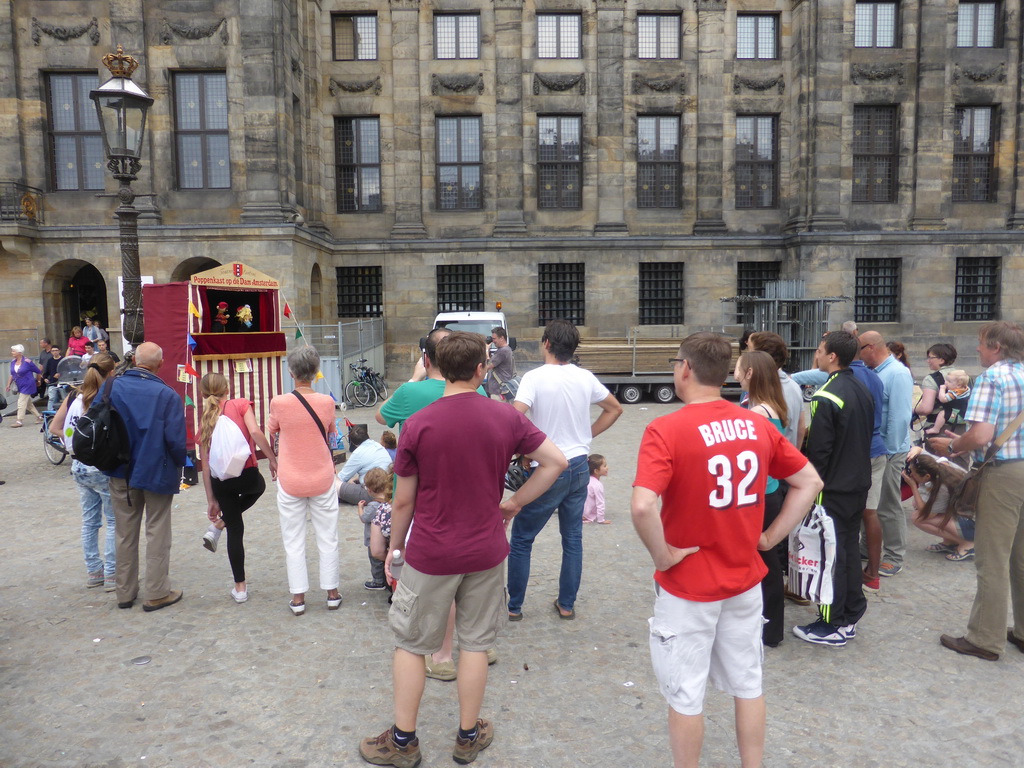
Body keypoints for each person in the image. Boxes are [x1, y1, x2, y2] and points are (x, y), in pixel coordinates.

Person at [359, 331, 566, 768]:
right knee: (474, 644)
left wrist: (396, 548)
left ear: (434, 364)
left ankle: (403, 741)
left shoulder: (419, 424)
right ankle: (467, 736)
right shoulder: (505, 418)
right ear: (480, 369)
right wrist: (513, 504)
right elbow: (556, 462)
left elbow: (402, 499)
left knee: (412, 644)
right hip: (486, 548)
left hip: (432, 551)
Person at [631, 332, 822, 768]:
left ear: (684, 369)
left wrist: (662, 557)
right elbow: (809, 481)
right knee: (748, 683)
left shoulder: (666, 427)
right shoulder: (756, 423)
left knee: (685, 694)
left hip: (690, 584)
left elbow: (643, 505)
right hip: (743, 577)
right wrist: (769, 539)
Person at [507, 319, 623, 621]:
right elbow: (615, 408)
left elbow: (514, 418)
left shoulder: (534, 377)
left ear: (546, 343)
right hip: (579, 466)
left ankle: (515, 605)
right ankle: (566, 603)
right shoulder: (585, 377)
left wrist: (524, 447)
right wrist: (586, 435)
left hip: (548, 467)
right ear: (572, 349)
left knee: (522, 537)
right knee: (572, 538)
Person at [927, 322, 1024, 661]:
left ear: (997, 347)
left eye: (982, 345)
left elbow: (981, 435)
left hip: (1004, 474)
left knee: (992, 557)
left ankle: (985, 638)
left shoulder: (992, 379)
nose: (979, 350)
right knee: (1021, 556)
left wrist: (955, 446)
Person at [793, 331, 875, 646]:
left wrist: (809, 488)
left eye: (820, 348)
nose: (816, 352)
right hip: (858, 482)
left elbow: (819, 452)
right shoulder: (860, 387)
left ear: (831, 357)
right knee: (848, 550)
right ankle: (851, 611)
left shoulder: (827, 395)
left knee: (831, 554)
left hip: (834, 487)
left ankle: (832, 622)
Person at [106, 342, 187, 612]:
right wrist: (182, 466)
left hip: (120, 470)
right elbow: (176, 440)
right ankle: (156, 592)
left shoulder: (112, 386)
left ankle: (124, 592)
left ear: (134, 359)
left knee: (125, 533)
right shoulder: (167, 395)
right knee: (157, 531)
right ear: (160, 364)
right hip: (157, 470)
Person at [267, 346, 342, 616]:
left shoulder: (279, 403)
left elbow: (272, 429)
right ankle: (332, 592)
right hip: (321, 476)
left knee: (293, 539)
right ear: (316, 372)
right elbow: (332, 434)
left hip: (291, 478)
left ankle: (298, 597)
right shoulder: (326, 403)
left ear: (291, 371)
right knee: (328, 537)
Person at [198, 372, 277, 603]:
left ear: (203, 394)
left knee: (235, 530)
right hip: (246, 473)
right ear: (227, 389)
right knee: (259, 486)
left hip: (221, 481)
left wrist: (211, 500)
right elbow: (254, 432)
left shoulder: (205, 419)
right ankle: (224, 522)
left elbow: (205, 464)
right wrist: (272, 458)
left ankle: (240, 588)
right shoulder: (240, 404)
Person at [734, 350, 790, 647]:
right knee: (767, 564)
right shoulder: (773, 406)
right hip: (771, 491)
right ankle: (769, 628)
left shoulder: (756, 414)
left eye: (738, 368)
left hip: (762, 495)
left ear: (750, 373)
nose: (735, 374)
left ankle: (769, 630)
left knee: (764, 565)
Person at [50, 353, 118, 592]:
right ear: (111, 372)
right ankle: (112, 574)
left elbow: (54, 427)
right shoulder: (108, 397)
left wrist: (77, 439)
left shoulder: (72, 397)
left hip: (79, 465)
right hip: (102, 465)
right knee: (112, 521)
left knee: (89, 522)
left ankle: (94, 571)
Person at [859, 331, 914, 577]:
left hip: (891, 451)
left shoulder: (898, 373)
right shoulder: (877, 371)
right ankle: (866, 547)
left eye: (859, 350)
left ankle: (894, 556)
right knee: (871, 502)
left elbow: (901, 416)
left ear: (870, 348)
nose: (858, 356)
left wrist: (891, 452)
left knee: (888, 505)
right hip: (877, 450)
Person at [904, 452, 973, 561]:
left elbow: (925, 513)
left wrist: (913, 486)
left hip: (972, 523)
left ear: (927, 476)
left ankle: (968, 544)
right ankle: (950, 542)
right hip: (970, 517)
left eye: (913, 473)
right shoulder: (938, 466)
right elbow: (920, 451)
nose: (911, 475)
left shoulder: (942, 487)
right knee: (934, 508)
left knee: (917, 518)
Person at [747, 332, 806, 448]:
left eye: (750, 352)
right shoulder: (794, 386)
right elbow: (800, 427)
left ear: (761, 358)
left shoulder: (764, 391)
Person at [358, 466, 394, 590]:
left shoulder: (373, 505)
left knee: (375, 561)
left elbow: (364, 518)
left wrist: (360, 508)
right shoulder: (388, 502)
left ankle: (378, 581)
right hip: (387, 539)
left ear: (369, 490)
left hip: (372, 539)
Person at [338, 424, 393, 505]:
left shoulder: (358, 453)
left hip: (372, 493)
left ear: (353, 443)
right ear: (367, 435)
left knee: (335, 484)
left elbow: (342, 477)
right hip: (387, 488)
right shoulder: (378, 445)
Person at [915, 343, 959, 435]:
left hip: (941, 430)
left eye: (931, 358)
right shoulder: (965, 376)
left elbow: (926, 409)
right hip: (963, 429)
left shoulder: (932, 378)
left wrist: (913, 410)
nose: (928, 361)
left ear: (941, 360)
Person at [927, 369, 971, 437]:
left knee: (942, 413)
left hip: (958, 416)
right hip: (965, 414)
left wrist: (942, 389)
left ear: (958, 385)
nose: (946, 382)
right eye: (946, 380)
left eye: (949, 381)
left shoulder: (955, 392)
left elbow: (943, 399)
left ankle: (936, 429)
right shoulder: (966, 389)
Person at [7, 344, 42, 428]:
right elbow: (12, 374)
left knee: (21, 402)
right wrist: (8, 384)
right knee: (28, 404)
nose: (12, 352)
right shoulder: (13, 362)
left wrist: (38, 380)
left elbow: (38, 371)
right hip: (19, 384)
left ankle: (19, 421)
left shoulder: (27, 362)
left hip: (28, 384)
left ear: (19, 352)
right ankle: (39, 417)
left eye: (13, 351)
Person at [485, 326, 516, 402]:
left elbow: (487, 366)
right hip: (502, 389)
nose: (493, 341)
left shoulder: (502, 351)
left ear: (502, 338)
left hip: (498, 391)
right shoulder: (507, 349)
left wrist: (486, 350)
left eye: (494, 338)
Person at [582, 454, 610, 524]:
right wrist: (601, 519)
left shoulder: (585, 480)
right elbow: (600, 502)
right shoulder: (597, 485)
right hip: (587, 513)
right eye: (604, 466)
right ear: (596, 471)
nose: (607, 467)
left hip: (578, 511)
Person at [42, 345, 65, 411]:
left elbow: (67, 370)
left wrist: (60, 374)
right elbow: (46, 371)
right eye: (53, 351)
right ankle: (50, 412)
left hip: (62, 383)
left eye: (56, 350)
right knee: (51, 398)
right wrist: (45, 378)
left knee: (64, 398)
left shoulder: (63, 360)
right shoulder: (50, 361)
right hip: (52, 382)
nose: (55, 352)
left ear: (59, 351)